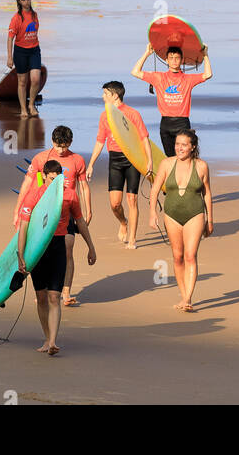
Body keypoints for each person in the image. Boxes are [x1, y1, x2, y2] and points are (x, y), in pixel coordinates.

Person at [16, 160, 96, 356]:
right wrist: (21, 254)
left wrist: (91, 247)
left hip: (58, 246)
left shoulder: (69, 195)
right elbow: (24, 227)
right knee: (41, 297)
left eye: (58, 179)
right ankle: (46, 337)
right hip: (38, 249)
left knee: (54, 296)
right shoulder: (33, 196)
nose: (55, 183)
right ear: (44, 176)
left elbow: (80, 222)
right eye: (51, 179)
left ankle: (52, 341)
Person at [14, 126, 90, 307]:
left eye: (64, 146)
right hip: (43, 212)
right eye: (57, 146)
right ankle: (45, 289)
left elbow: (84, 186)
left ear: (70, 143)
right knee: (44, 250)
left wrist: (89, 210)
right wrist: (18, 209)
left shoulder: (77, 160)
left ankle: (66, 291)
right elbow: (28, 183)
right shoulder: (41, 159)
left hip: (67, 209)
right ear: (52, 142)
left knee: (67, 249)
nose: (61, 150)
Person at [149, 129, 212, 313]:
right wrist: (152, 212)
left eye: (184, 145)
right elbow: (154, 190)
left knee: (190, 255)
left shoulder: (201, 166)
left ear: (192, 147)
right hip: (171, 215)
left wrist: (210, 220)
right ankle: (184, 296)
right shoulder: (167, 164)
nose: (179, 148)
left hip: (195, 214)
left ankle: (187, 298)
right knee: (177, 257)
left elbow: (207, 194)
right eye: (177, 144)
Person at [87, 81, 154, 249]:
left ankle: (132, 239)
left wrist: (149, 161)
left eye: (105, 94)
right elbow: (100, 141)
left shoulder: (132, 113)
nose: (103, 97)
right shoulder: (105, 116)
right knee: (115, 204)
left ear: (115, 95)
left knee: (132, 199)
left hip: (132, 159)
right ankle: (123, 222)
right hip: (115, 160)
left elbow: (144, 138)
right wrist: (91, 164)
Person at [131, 43, 213, 156]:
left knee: (184, 157)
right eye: (171, 58)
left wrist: (205, 55)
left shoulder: (188, 79)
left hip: (182, 123)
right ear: (166, 60)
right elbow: (135, 72)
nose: (174, 61)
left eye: (177, 58)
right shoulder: (158, 77)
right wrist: (147, 53)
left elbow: (208, 74)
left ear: (181, 60)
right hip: (165, 123)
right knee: (170, 157)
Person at [6, 0, 42, 117]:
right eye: (23, 0)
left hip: (34, 50)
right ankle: (23, 109)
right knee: (22, 81)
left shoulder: (34, 15)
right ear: (19, 2)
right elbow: (10, 38)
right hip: (20, 52)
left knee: (36, 79)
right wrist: (9, 57)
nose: (26, 2)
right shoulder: (16, 18)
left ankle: (31, 104)